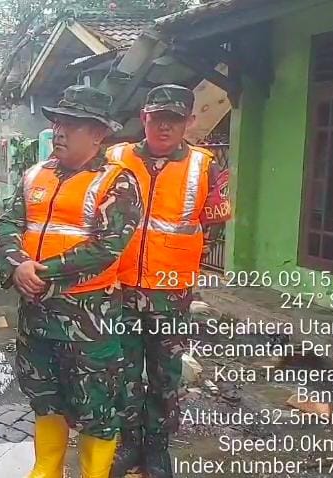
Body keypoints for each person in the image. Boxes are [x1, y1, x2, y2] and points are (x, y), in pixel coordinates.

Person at [0, 85, 143, 478]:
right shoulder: (34, 175)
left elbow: (108, 247)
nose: (59, 131)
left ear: (98, 134)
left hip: (89, 321)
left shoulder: (118, 182)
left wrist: (42, 271)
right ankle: (46, 470)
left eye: (72, 124)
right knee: (45, 398)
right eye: (58, 122)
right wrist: (17, 264)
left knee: (97, 407)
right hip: (37, 315)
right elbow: (9, 223)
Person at [106, 85, 231, 478]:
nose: (164, 126)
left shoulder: (204, 166)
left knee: (164, 377)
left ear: (189, 122)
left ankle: (157, 450)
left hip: (171, 293)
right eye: (157, 117)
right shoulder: (114, 158)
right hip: (120, 288)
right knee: (123, 373)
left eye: (174, 119)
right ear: (144, 117)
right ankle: (129, 444)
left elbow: (213, 223)